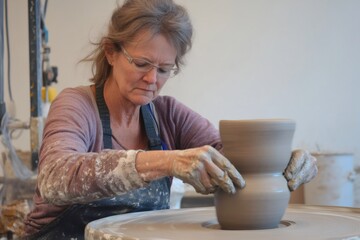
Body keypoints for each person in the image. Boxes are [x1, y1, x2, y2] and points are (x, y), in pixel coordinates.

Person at [23, 0, 318, 239]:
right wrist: (165, 162)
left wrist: (285, 162)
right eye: (141, 64)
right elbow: (54, 180)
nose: (152, 79)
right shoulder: (77, 105)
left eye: (164, 69)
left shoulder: (168, 114)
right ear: (110, 53)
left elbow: (234, 162)